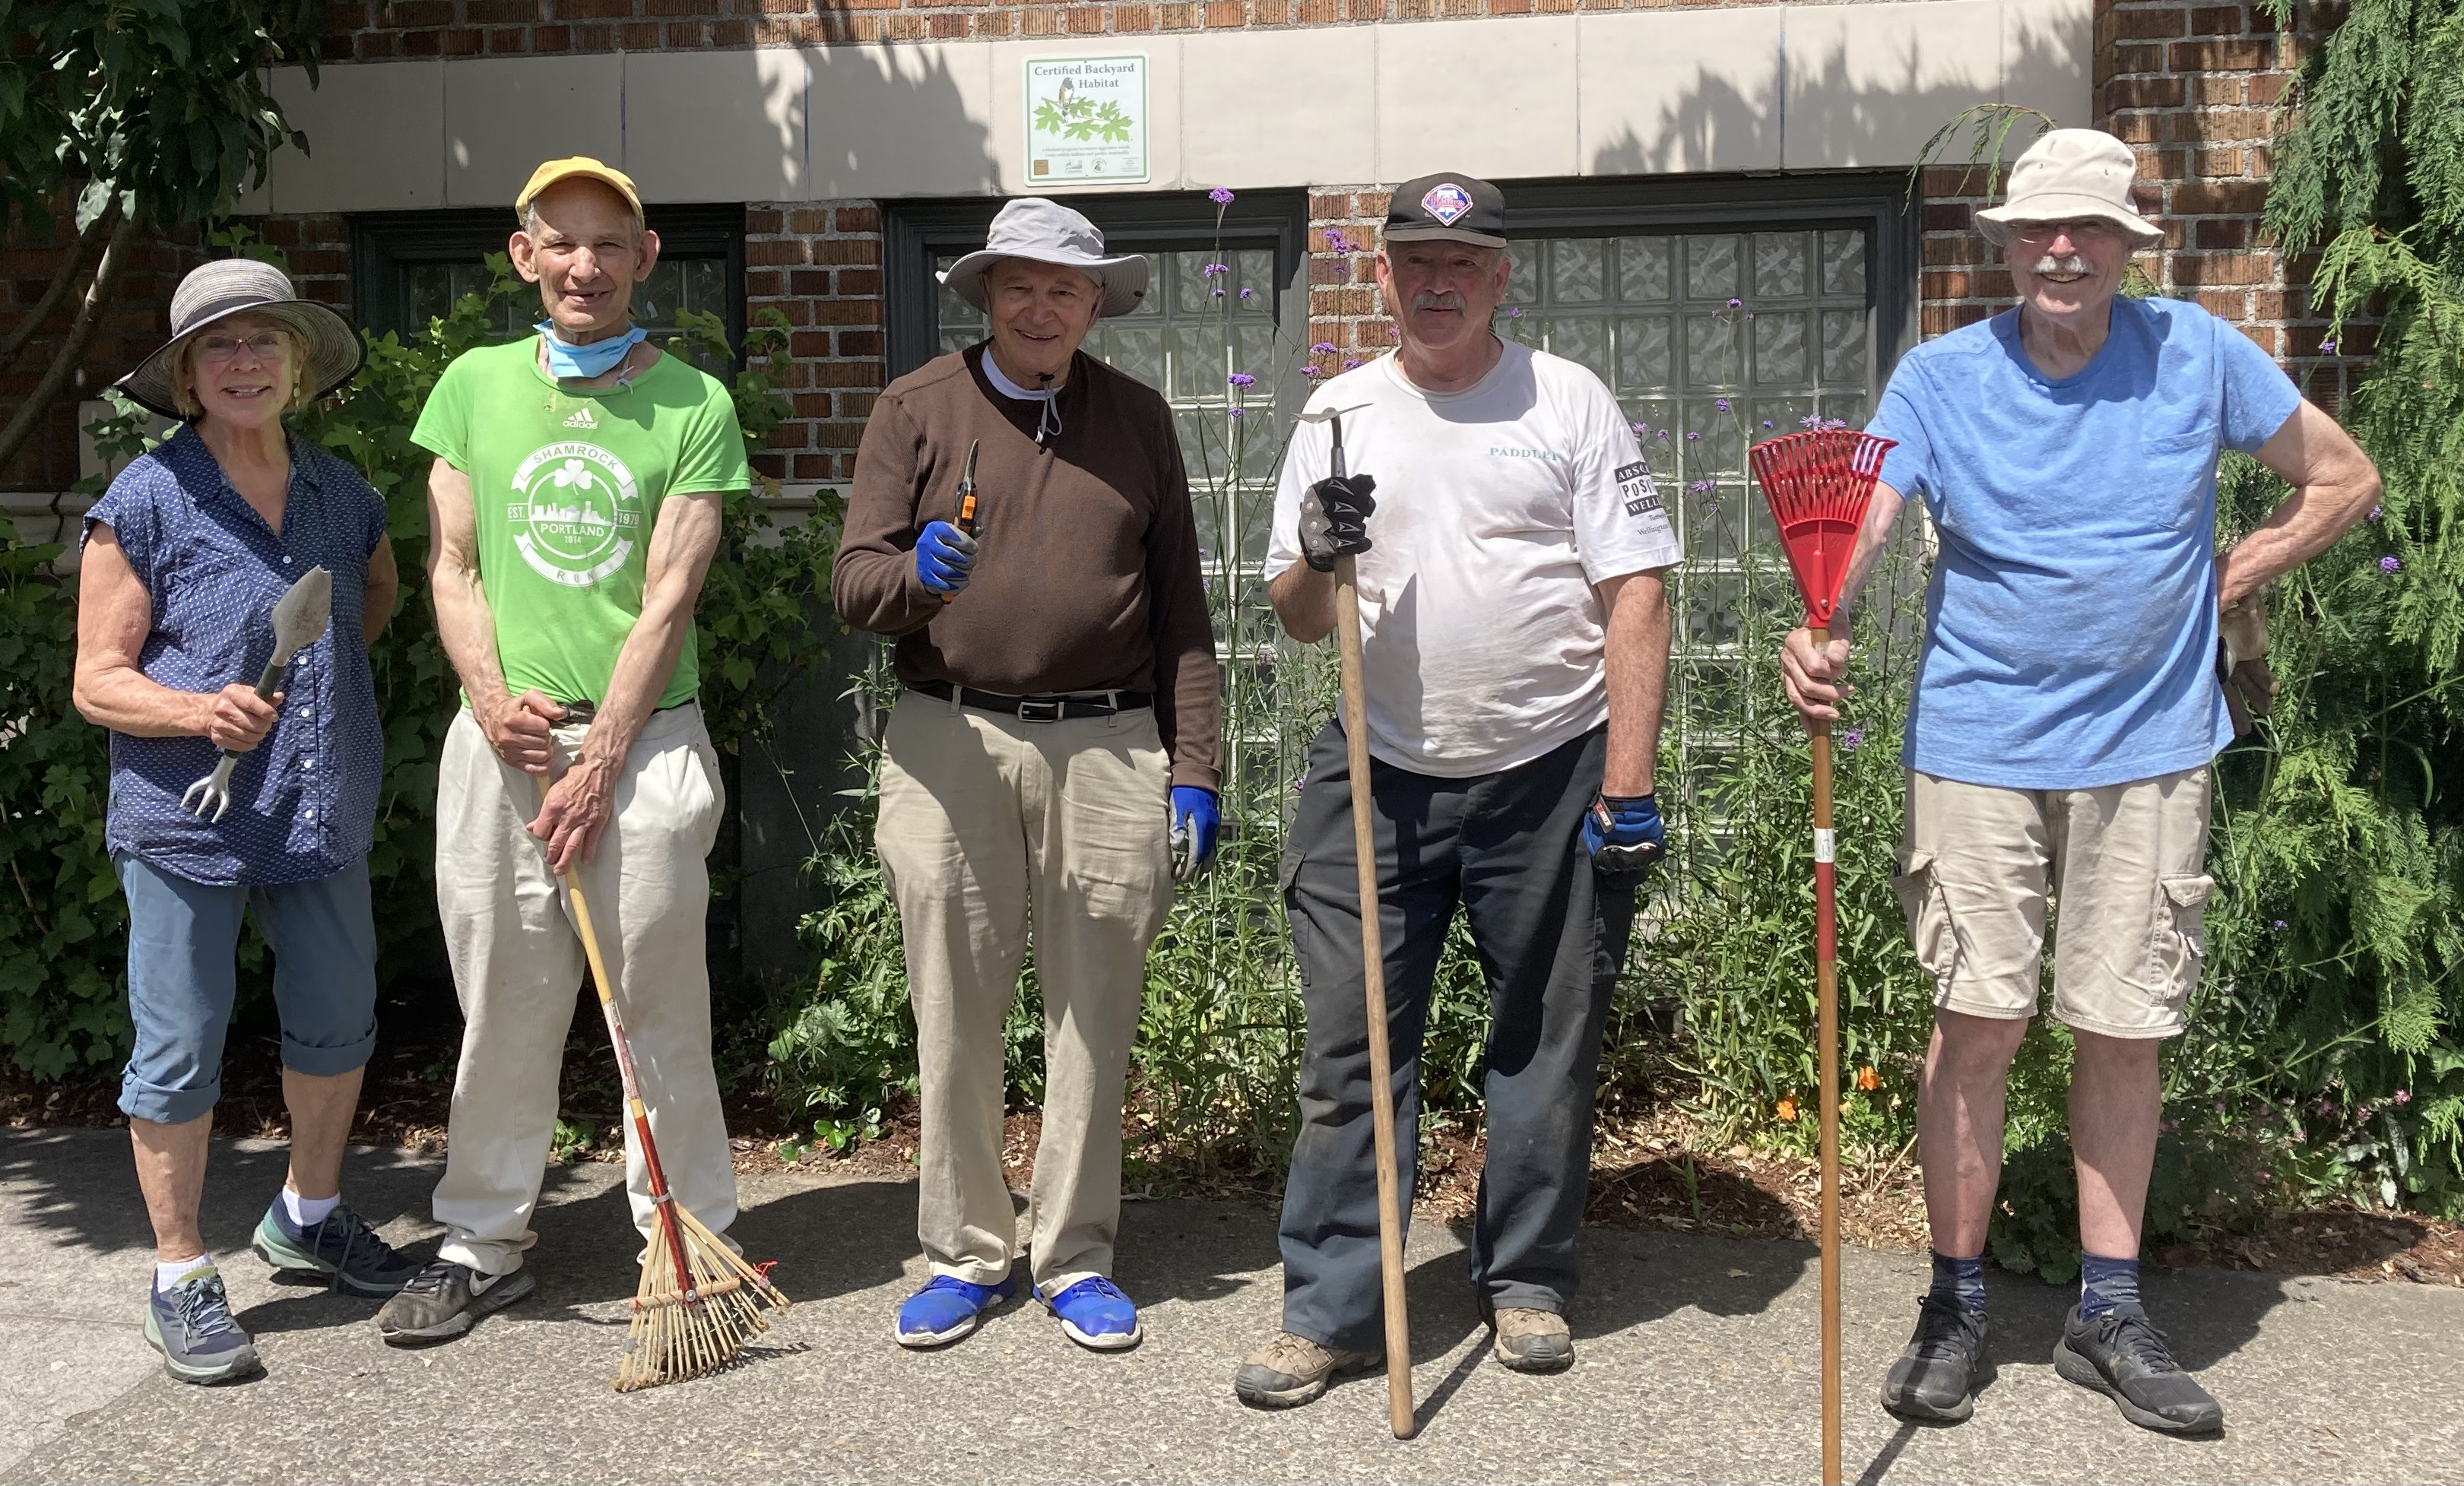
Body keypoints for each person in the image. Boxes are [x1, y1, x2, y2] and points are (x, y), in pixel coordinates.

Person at [1780, 129, 2380, 1435]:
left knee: (2122, 1024)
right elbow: (1867, 516)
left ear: (2124, 246)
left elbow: (2343, 477)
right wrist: (1820, 619)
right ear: (2003, 246)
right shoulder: (1941, 377)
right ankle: (1954, 1302)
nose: (2061, 248)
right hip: (1978, 749)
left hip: (2151, 749)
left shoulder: (2197, 355)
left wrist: (2231, 576)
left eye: (2088, 229)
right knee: (1976, 1022)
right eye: (2037, 228)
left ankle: (2107, 1309)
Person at [1234, 173, 1679, 1408]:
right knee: (1349, 1042)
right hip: (1375, 770)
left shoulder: (1567, 401)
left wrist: (1627, 785)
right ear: (1380, 277)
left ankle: (1524, 1275)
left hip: (1548, 767)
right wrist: (1318, 555)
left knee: (1542, 1035)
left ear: (1500, 276)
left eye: (1465, 263)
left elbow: (1634, 587)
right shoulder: (1336, 417)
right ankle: (1328, 1306)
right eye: (1415, 264)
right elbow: (1293, 613)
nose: (1438, 283)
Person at [833, 198, 1222, 1353]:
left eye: (1066, 288)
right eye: (1020, 286)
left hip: (1109, 741)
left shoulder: (1140, 421)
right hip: (950, 733)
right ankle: (964, 1249)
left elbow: (1184, 614)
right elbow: (853, 582)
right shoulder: (916, 408)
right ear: (986, 296)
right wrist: (918, 575)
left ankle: (1073, 1255)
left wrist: (1194, 764)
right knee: (953, 1002)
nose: (1042, 306)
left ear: (1095, 304)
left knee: (1093, 1008)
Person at [374, 157, 750, 1343]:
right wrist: (491, 704)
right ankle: (483, 1240)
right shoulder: (473, 385)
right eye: (560, 242)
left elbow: (668, 598)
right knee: (502, 1003)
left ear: (645, 259)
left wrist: (600, 758)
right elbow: (453, 564)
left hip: (640, 751)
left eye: (608, 243)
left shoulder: (692, 403)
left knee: (655, 1011)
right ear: (522, 254)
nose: (583, 265)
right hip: (503, 749)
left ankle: (688, 1250)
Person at [75, 258, 414, 1383]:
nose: (243, 361)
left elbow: (374, 593)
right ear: (183, 374)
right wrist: (190, 707)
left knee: (338, 1018)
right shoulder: (144, 498)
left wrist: (325, 686)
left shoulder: (342, 491)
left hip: (319, 796)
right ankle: (180, 1273)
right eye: (217, 347)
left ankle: (308, 1215)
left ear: (299, 363)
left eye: (263, 340)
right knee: (178, 1046)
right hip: (187, 812)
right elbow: (94, 680)